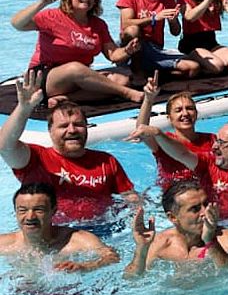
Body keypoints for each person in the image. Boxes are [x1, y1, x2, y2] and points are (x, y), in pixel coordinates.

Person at [1, 72, 137, 223]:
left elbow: (130, 198)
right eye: (64, 126)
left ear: (86, 128)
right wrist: (24, 108)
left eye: (78, 124)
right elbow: (5, 147)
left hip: (104, 230)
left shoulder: (106, 161)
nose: (72, 130)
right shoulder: (36, 159)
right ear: (50, 131)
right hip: (53, 235)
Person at [12, 0, 143, 104]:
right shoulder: (52, 16)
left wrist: (127, 50)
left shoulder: (98, 24)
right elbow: (17, 24)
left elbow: (113, 54)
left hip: (78, 76)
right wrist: (41, 3)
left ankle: (65, 98)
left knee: (121, 81)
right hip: (44, 76)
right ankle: (127, 93)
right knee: (75, 68)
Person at [133, 116, 228, 220]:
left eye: (222, 143)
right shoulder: (208, 163)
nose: (214, 146)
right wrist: (158, 133)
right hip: (212, 224)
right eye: (216, 140)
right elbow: (182, 153)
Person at [124, 179, 228, 278]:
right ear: (173, 217)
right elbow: (131, 279)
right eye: (195, 209)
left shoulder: (224, 237)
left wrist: (210, 240)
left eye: (205, 204)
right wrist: (142, 248)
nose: (205, 212)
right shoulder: (161, 243)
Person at [0, 183, 118, 272]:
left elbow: (112, 257)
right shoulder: (4, 244)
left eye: (39, 210)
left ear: (54, 211)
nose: (30, 216)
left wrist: (86, 266)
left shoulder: (79, 240)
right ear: (15, 211)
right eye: (22, 210)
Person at [116, 0, 200, 82]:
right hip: (130, 48)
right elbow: (126, 23)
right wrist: (154, 18)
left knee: (193, 68)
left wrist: (173, 21)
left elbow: (176, 32)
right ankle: (137, 70)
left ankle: (153, 73)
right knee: (133, 30)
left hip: (154, 50)